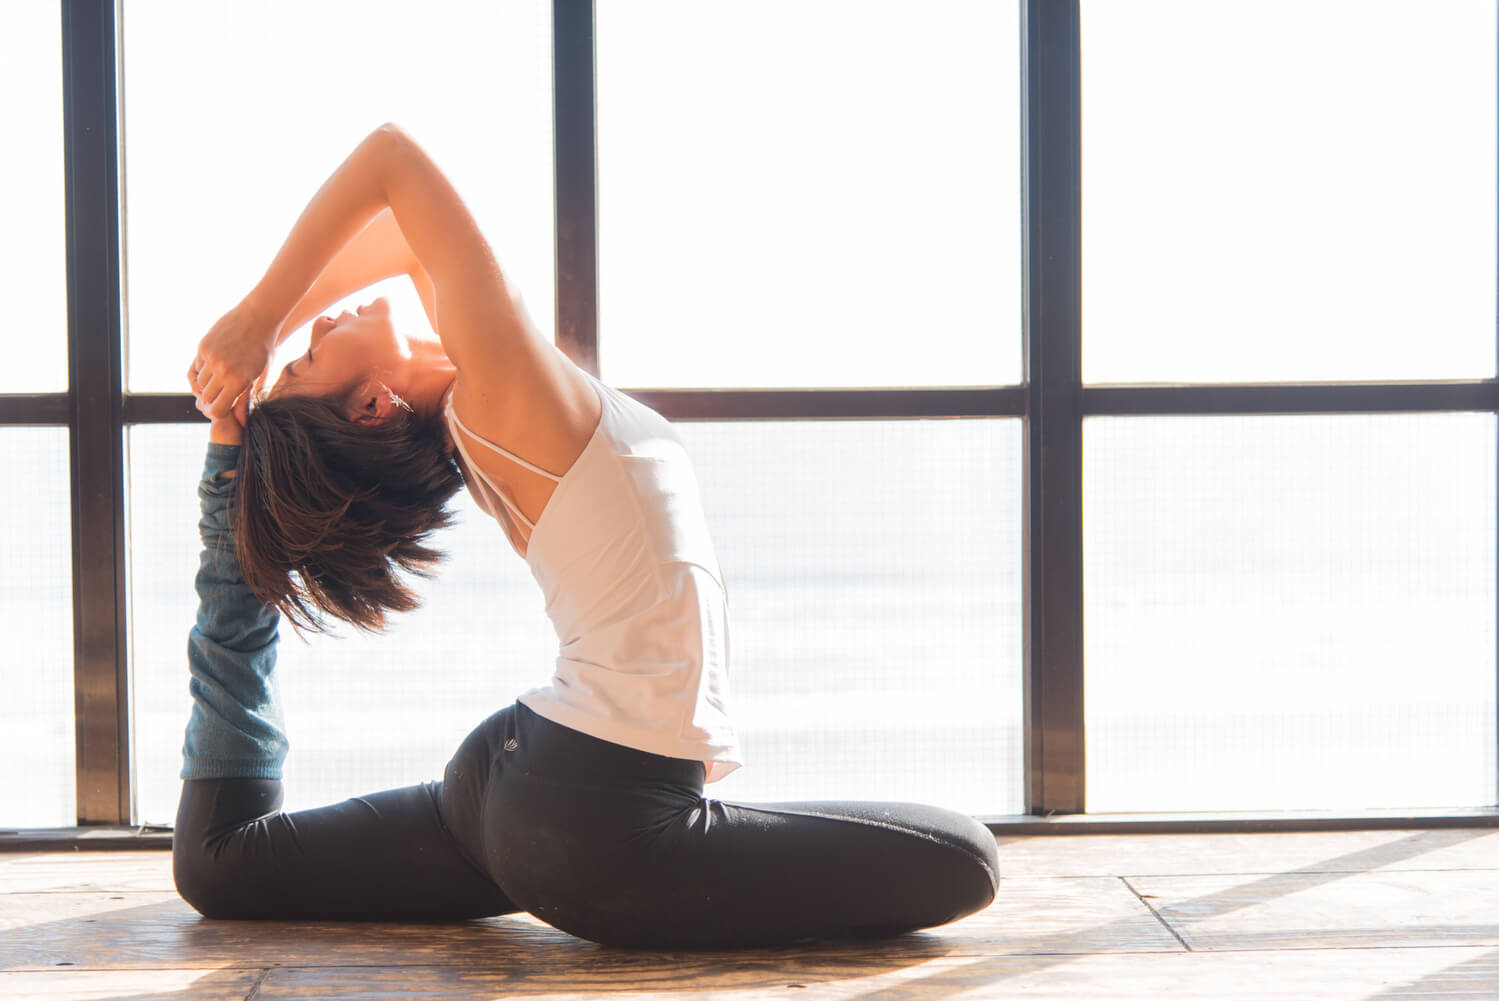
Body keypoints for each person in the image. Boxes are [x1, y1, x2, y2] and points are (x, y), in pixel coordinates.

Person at [175, 123, 999, 948]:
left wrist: (251, 369)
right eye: (302, 365)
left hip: (518, 789)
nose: (305, 336)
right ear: (371, 407)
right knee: (964, 857)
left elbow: (394, 238)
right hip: (602, 818)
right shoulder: (503, 391)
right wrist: (255, 317)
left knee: (221, 863)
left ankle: (227, 499)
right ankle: (230, 501)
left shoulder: (487, 401)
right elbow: (392, 160)